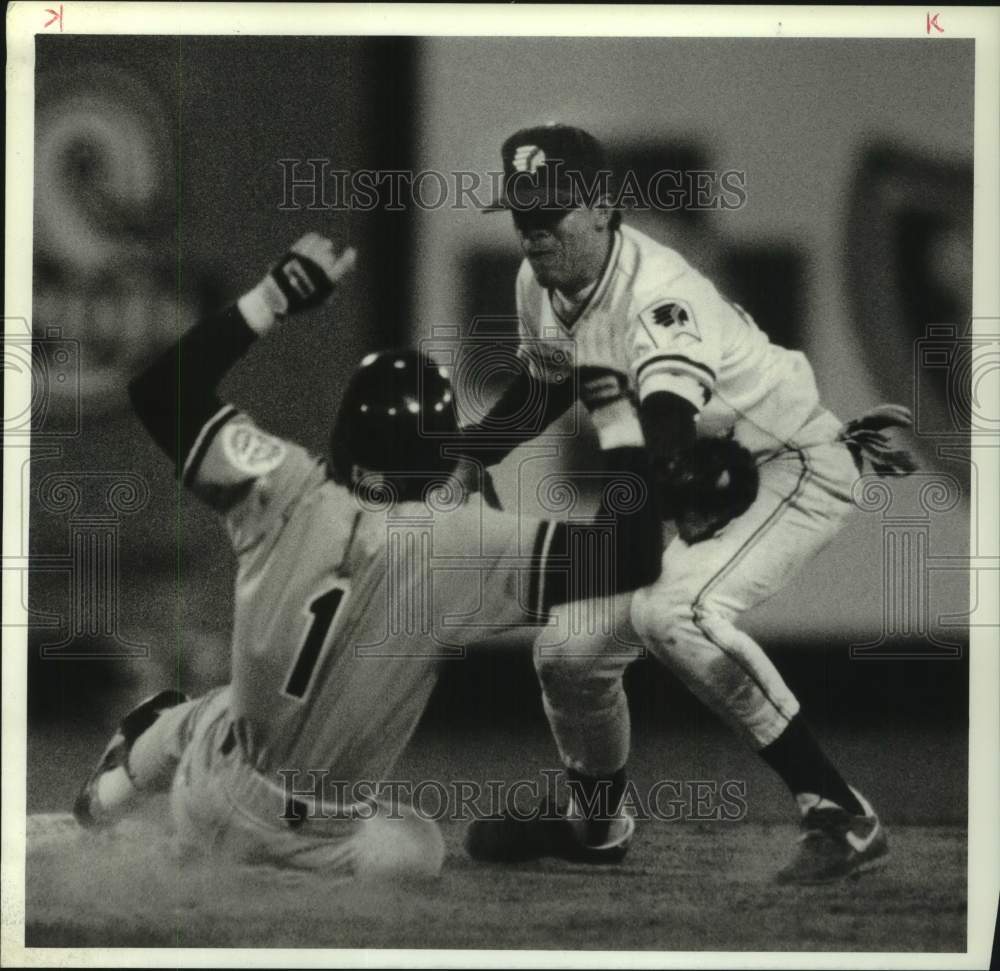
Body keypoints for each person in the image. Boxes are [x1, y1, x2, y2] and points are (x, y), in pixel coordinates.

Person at [71, 232, 679, 879]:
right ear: (438, 459)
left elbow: (160, 390)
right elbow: (634, 557)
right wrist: (616, 412)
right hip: (324, 844)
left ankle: (107, 797)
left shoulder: (282, 485)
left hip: (210, 799)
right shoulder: (465, 542)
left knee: (208, 713)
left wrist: (271, 297)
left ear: (342, 438)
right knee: (420, 845)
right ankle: (273, 877)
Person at [461, 125, 914, 883]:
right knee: (568, 652)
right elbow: (547, 383)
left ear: (605, 208)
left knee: (675, 611)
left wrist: (631, 514)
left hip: (789, 464)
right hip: (693, 467)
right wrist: (470, 452)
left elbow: (666, 424)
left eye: (554, 212)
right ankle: (595, 826)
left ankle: (842, 811)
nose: (536, 232)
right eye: (524, 214)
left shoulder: (661, 294)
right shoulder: (537, 283)